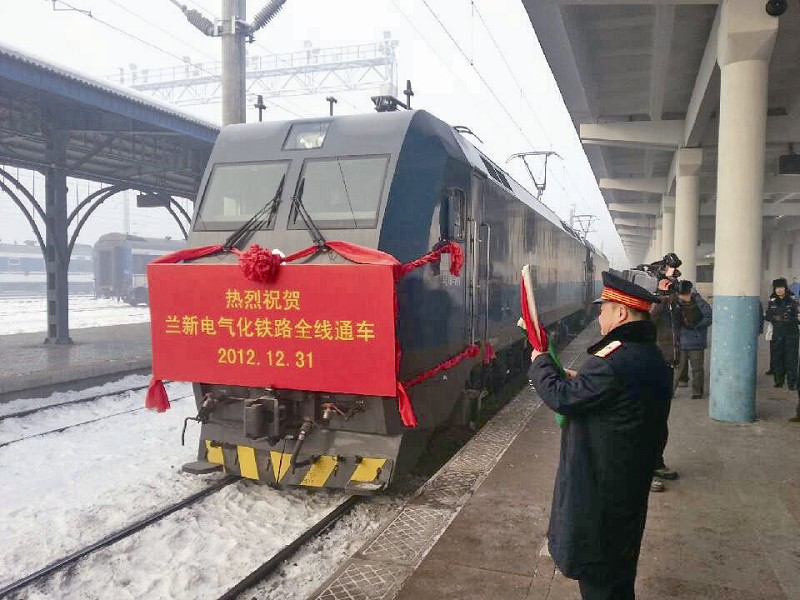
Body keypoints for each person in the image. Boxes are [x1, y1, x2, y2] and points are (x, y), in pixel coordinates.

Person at [528, 271, 672, 600]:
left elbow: (562, 399)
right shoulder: (647, 356)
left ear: (621, 312)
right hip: (628, 487)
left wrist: (539, 363)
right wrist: (571, 375)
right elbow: (615, 392)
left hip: (601, 495)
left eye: (604, 308)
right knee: (619, 576)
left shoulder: (611, 360)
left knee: (599, 581)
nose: (599, 315)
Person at [648, 284, 680, 489]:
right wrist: (660, 296)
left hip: (669, 365)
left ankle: (657, 463)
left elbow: (691, 320)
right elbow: (648, 321)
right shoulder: (652, 301)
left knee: (661, 421)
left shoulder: (674, 304)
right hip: (653, 365)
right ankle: (643, 471)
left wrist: (685, 298)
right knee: (648, 422)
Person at [673, 281, 712, 399]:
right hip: (684, 341)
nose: (681, 296)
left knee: (696, 369)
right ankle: (672, 392)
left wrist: (696, 326)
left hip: (695, 342)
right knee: (680, 369)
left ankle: (697, 392)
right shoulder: (677, 303)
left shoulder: (700, 303)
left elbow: (709, 317)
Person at [765, 277, 800, 390]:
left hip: (791, 335)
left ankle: (791, 383)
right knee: (777, 359)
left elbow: (798, 317)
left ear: (785, 288)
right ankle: (778, 381)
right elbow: (768, 316)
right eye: (777, 288)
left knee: (791, 360)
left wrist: (789, 319)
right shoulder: (772, 301)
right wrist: (777, 318)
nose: (779, 290)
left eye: (781, 287)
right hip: (777, 335)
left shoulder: (793, 301)